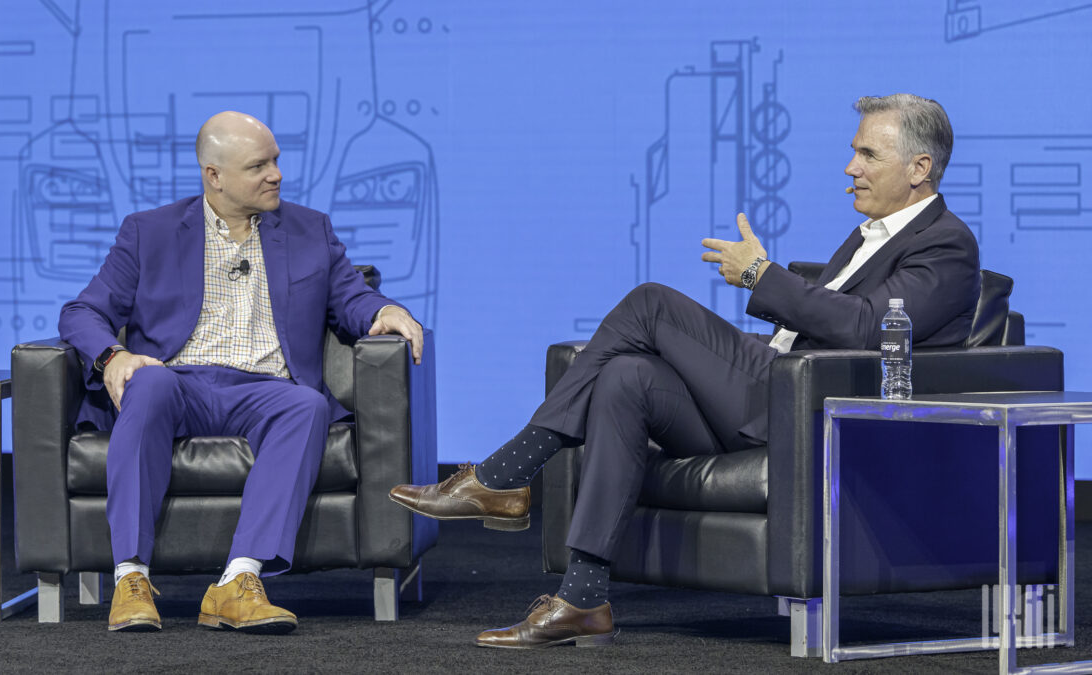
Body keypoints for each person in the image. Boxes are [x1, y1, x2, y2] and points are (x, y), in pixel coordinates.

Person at [389, 93, 979, 648]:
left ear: (919, 167)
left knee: (650, 302)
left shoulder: (947, 245)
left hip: (805, 412)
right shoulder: (866, 235)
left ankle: (504, 474)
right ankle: (582, 601)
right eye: (854, 150)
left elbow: (869, 327)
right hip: (770, 397)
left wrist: (762, 277)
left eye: (867, 154)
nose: (851, 166)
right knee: (624, 378)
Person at [59, 111, 423, 634]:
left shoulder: (309, 229)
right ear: (215, 176)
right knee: (150, 380)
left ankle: (238, 581)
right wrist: (112, 357)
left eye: (275, 160)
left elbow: (352, 298)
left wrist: (384, 312)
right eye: (259, 166)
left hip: (266, 388)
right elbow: (81, 312)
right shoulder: (149, 232)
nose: (276, 174)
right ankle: (131, 580)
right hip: (175, 381)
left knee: (307, 403)